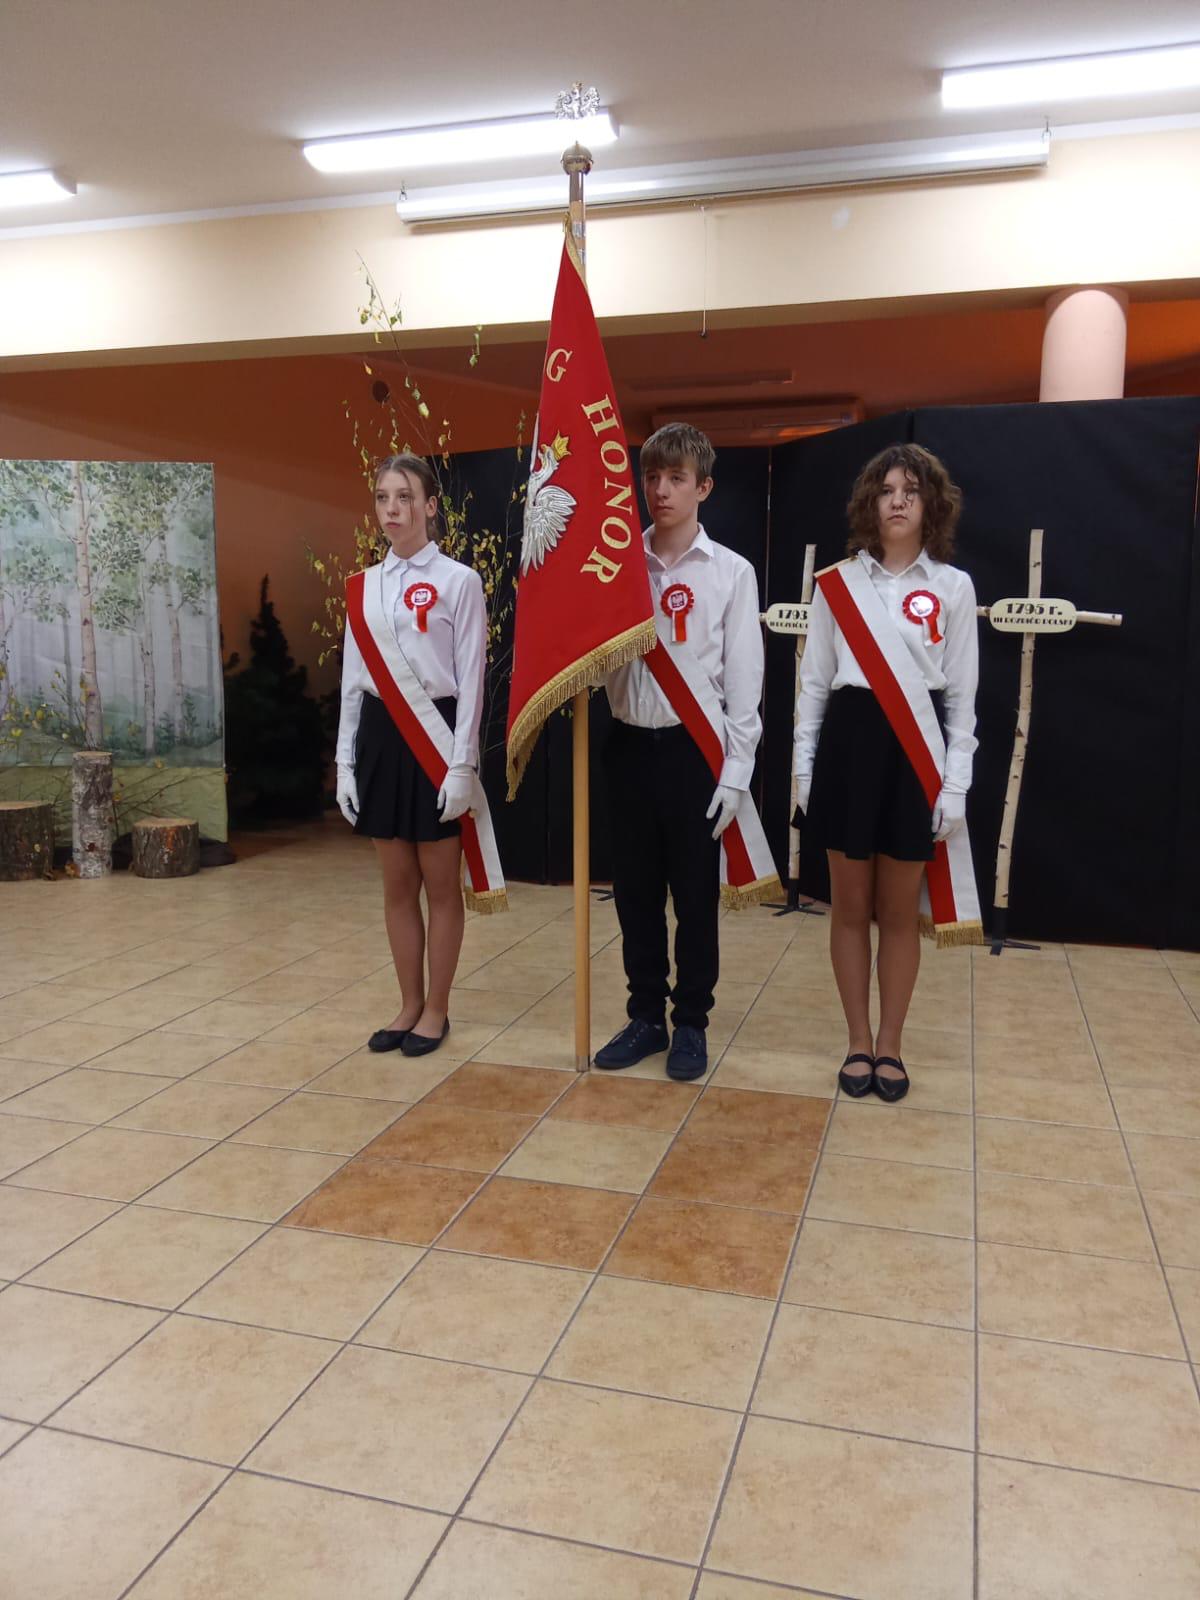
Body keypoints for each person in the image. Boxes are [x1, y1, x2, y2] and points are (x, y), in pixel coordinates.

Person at [793, 443, 979, 1102]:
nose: (898, 501)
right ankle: (857, 1040)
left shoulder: (954, 588)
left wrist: (955, 782)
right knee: (848, 908)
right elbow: (814, 685)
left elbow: (962, 698)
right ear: (869, 504)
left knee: (899, 912)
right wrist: (803, 771)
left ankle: (891, 1046)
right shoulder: (839, 586)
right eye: (887, 490)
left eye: (911, 490)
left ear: (932, 504)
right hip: (849, 746)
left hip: (915, 755)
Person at [596, 422, 772, 1082]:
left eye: (676, 478)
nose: (661, 491)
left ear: (704, 487)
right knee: (635, 894)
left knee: (695, 897)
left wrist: (736, 769)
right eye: (652, 478)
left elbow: (744, 679)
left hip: (695, 752)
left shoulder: (731, 572)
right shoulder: (612, 566)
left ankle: (691, 1020)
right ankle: (645, 1015)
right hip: (627, 745)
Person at [336, 452, 504, 1058]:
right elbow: (352, 682)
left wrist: (463, 765)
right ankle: (408, 1004)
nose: (392, 510)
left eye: (404, 497)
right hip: (382, 738)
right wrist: (344, 763)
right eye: (383, 498)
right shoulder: (362, 587)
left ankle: (437, 1009)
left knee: (440, 887)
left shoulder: (461, 581)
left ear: (430, 506)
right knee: (397, 886)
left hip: (438, 736)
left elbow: (473, 679)